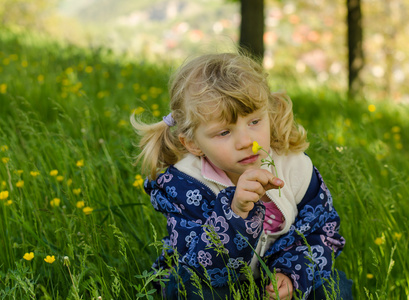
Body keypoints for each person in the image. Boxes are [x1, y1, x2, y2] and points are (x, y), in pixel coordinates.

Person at [132, 52, 351, 299]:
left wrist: (291, 273)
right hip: (212, 280)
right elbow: (202, 267)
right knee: (197, 290)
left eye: (255, 121)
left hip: (273, 280)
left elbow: (322, 231)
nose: (246, 141)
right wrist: (235, 212)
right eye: (224, 132)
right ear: (193, 143)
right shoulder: (185, 185)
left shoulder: (294, 168)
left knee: (335, 288)